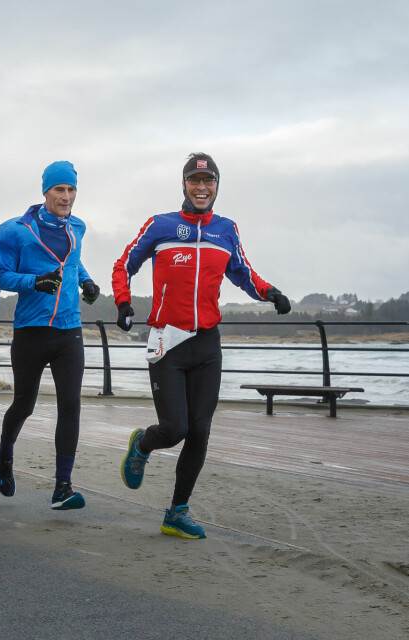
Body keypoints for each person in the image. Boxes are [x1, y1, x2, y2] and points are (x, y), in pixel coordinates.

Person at [114, 152, 292, 539]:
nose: (201, 187)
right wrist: (124, 303)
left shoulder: (226, 230)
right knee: (174, 428)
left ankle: (177, 512)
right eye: (194, 180)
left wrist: (269, 292)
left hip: (207, 344)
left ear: (216, 186)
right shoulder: (160, 225)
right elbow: (124, 264)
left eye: (209, 180)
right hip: (168, 340)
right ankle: (142, 444)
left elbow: (242, 272)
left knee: (199, 431)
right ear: (183, 185)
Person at [0, 161, 101, 510]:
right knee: (24, 404)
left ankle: (62, 487)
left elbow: (73, 261)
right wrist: (34, 282)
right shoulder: (15, 230)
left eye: (71, 190)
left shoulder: (78, 227)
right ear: (45, 192)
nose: (66, 197)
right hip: (31, 331)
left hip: (69, 330)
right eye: (59, 190)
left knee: (70, 404)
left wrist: (86, 281)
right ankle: (5, 453)